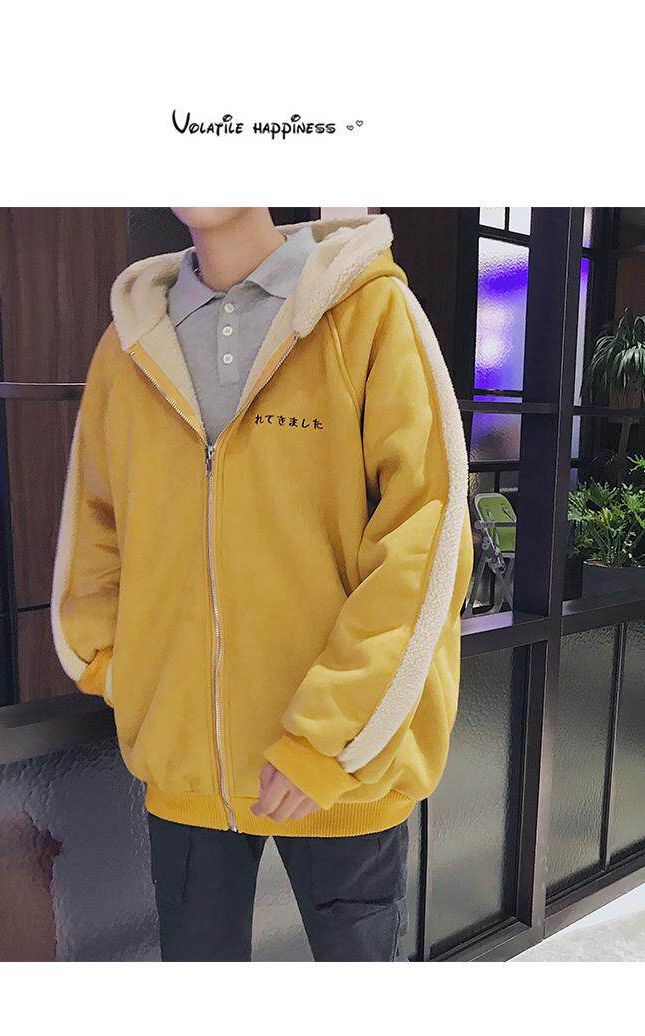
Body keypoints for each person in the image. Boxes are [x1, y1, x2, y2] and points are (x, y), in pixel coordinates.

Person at [51, 208, 474, 961]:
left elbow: (425, 538)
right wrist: (128, 672)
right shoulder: (128, 346)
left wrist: (330, 739)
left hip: (342, 772)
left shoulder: (368, 312)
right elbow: (95, 530)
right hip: (187, 774)